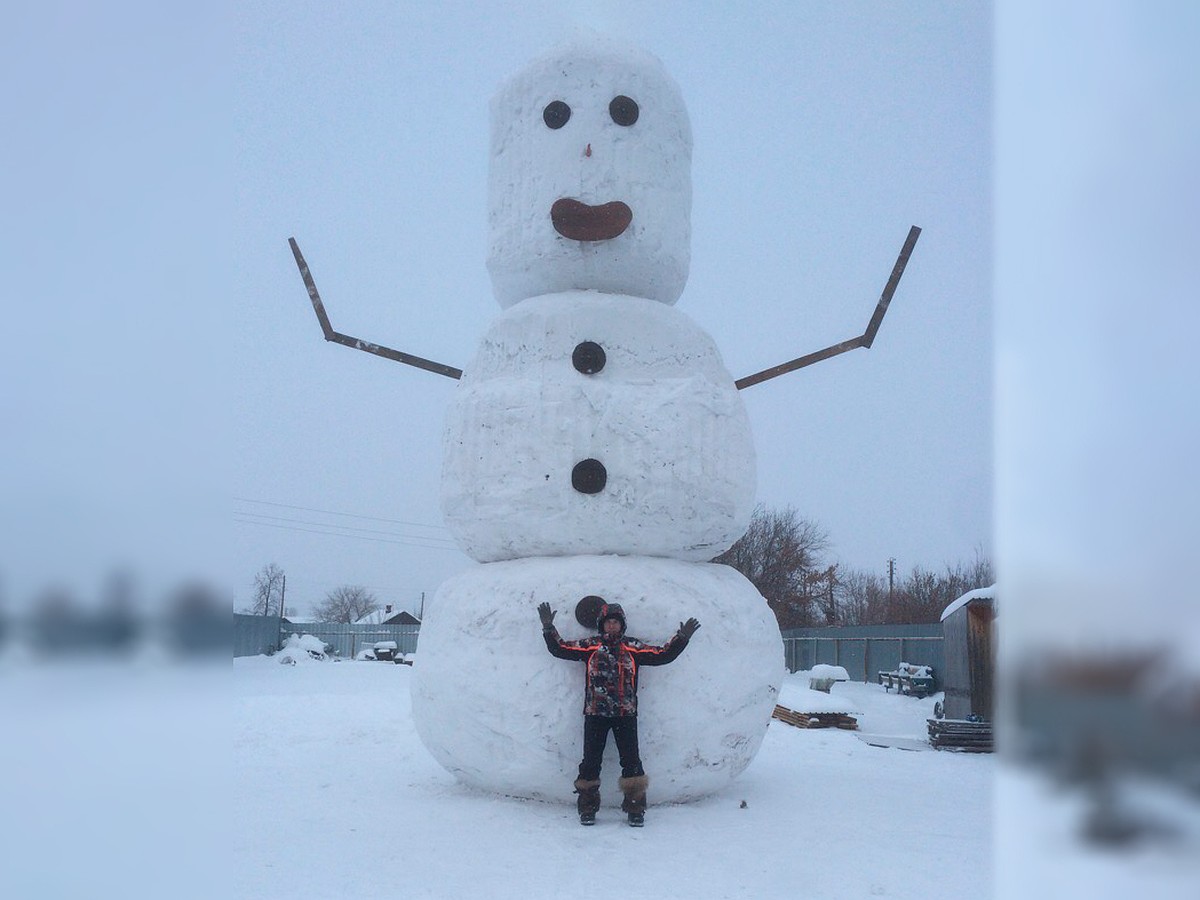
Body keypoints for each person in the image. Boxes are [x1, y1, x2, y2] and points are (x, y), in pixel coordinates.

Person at [538, 599, 700, 826]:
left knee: (632, 762)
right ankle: (587, 808)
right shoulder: (591, 646)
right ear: (601, 625)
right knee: (590, 762)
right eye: (608, 622)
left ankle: (635, 810)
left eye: (615, 622)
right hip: (595, 714)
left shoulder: (633, 648)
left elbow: (663, 655)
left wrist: (681, 638)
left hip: (626, 715)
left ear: (622, 625)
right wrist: (548, 628)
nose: (612, 626)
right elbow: (560, 648)